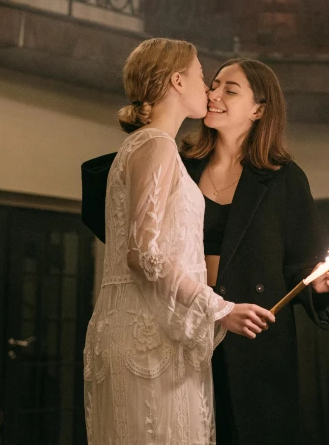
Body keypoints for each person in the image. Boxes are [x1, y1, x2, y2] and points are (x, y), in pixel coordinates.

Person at [82, 39, 274, 445]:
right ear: (177, 80)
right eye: (203, 76)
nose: (208, 90)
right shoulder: (155, 145)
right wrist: (220, 309)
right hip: (146, 339)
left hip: (149, 328)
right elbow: (143, 255)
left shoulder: (148, 145)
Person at [180, 58, 329, 445]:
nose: (213, 94)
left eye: (229, 90)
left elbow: (305, 265)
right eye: (214, 84)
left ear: (259, 109)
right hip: (185, 330)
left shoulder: (284, 178)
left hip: (252, 344)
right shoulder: (181, 166)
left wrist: (319, 286)